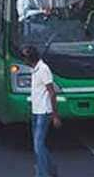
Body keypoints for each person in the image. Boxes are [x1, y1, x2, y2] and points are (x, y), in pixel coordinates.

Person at [22, 45, 61, 177]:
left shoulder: (43, 69)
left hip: (44, 113)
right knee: (39, 145)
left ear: (30, 58)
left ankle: (43, 174)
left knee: (38, 146)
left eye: (25, 57)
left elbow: (52, 92)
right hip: (36, 111)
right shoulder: (35, 70)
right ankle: (51, 170)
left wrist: (55, 115)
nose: (23, 60)